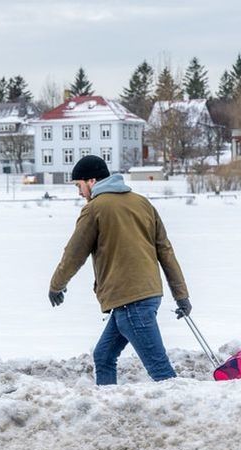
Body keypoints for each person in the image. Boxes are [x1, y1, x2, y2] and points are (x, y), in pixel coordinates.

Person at [48, 155, 191, 385]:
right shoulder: (142, 203)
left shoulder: (95, 209)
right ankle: (108, 406)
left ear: (92, 181)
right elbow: (166, 251)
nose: (79, 192)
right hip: (146, 296)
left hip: (130, 300)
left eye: (79, 185)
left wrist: (56, 286)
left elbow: (74, 254)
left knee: (161, 371)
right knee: (103, 356)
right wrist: (181, 295)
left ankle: (185, 412)